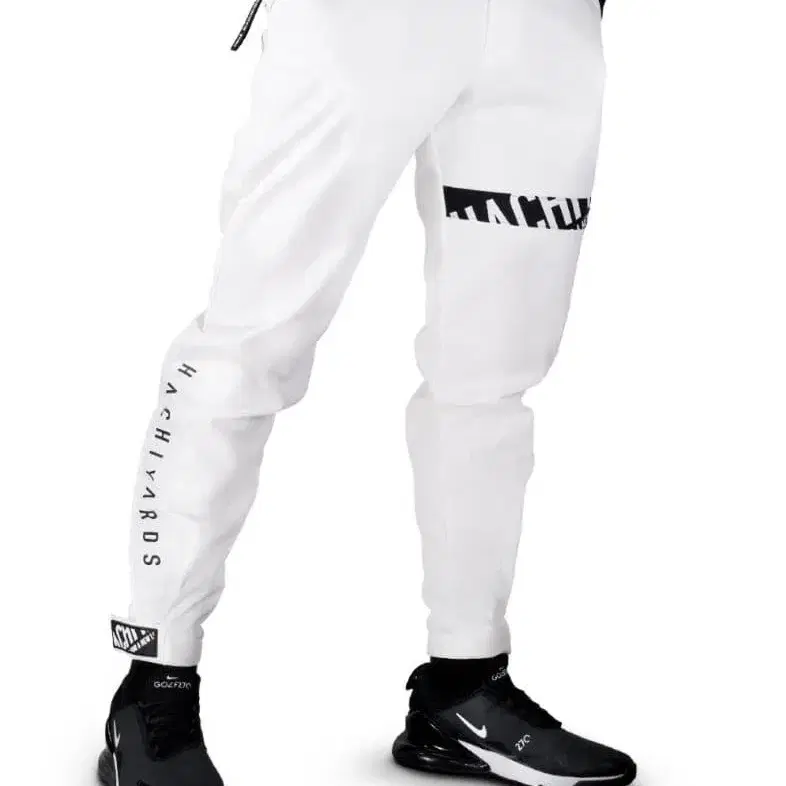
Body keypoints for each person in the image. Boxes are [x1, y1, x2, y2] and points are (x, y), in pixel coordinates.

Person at [98, 1, 637, 784]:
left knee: (494, 371)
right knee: (250, 344)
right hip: (366, 19)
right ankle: (154, 685)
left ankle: (465, 686)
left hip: (545, 23)